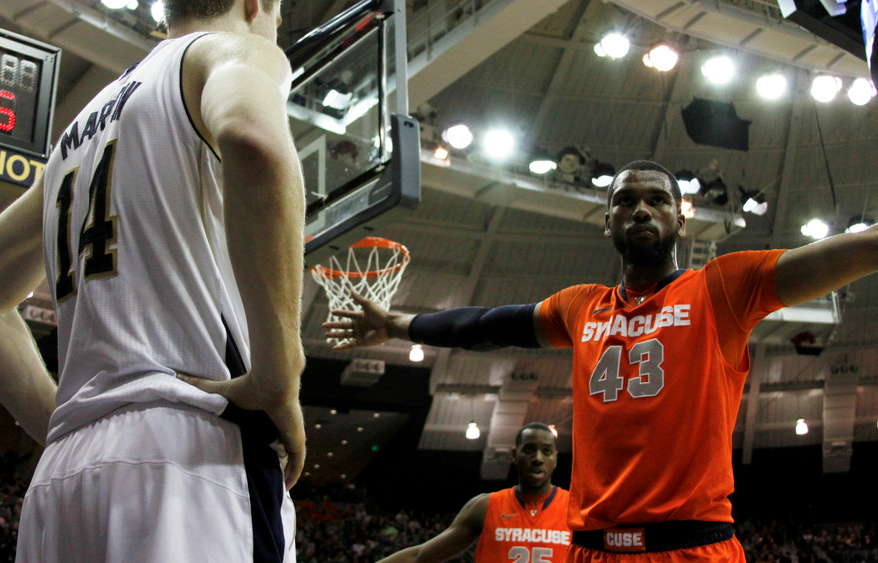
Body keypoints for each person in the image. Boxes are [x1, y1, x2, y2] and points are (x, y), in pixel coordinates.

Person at [0, 0, 306, 562]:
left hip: (63, 477)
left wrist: (65, 419)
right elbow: (256, 142)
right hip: (190, 453)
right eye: (275, 19)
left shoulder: (77, 135)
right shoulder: (231, 52)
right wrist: (279, 375)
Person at [324, 160, 878, 562]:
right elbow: (489, 325)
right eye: (624, 200)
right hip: (592, 553)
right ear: (606, 222)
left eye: (657, 199)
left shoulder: (723, 288)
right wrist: (398, 324)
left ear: (681, 221)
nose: (640, 208)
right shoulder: (581, 306)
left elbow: (855, 251)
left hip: (691, 549)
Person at [378, 422, 570, 563]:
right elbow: (420, 556)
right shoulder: (485, 506)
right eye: (529, 450)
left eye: (546, 451)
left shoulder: (576, 507)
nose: (538, 458)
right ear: (514, 455)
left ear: (555, 457)